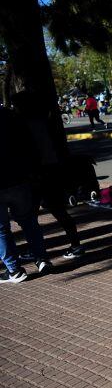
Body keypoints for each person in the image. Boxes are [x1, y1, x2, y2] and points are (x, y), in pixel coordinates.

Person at [12, 91, 85, 261]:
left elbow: (30, 153)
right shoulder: (44, 122)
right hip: (52, 170)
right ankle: (75, 245)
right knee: (58, 211)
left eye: (16, 106)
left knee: (30, 215)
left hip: (38, 174)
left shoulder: (25, 125)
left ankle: (35, 249)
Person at [0, 105, 51, 283]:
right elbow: (28, 145)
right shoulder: (10, 116)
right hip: (18, 179)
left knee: (1, 230)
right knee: (29, 221)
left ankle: (14, 270)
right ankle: (42, 259)